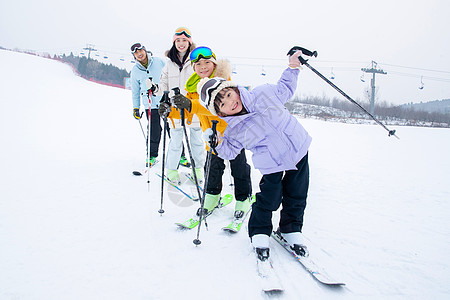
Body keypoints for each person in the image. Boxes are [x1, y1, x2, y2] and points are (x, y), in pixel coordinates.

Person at [196, 50, 311, 261]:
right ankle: (259, 231)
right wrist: (217, 144)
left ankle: (290, 228)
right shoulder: (233, 130)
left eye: (229, 94)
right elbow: (230, 151)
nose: (230, 102)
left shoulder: (263, 93)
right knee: (269, 198)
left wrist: (293, 67)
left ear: (234, 90)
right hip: (271, 163)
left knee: (297, 193)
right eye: (222, 104)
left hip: (297, 147)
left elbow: (285, 88)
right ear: (220, 113)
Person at [170, 46, 253, 219]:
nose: (203, 67)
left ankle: (243, 198)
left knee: (238, 167)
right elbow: (195, 112)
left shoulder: (223, 81)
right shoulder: (192, 86)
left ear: (214, 63)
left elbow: (211, 108)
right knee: (213, 168)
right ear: (193, 68)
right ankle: (212, 196)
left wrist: (191, 106)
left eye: (207, 62)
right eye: (198, 64)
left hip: (231, 132)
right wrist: (170, 110)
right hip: (211, 132)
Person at [157, 27, 202, 184]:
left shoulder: (197, 60)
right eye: (178, 40)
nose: (181, 44)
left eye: (184, 40)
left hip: (193, 106)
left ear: (189, 42)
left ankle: (198, 171)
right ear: (174, 42)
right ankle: (172, 171)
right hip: (175, 108)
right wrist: (156, 89)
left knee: (197, 141)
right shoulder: (169, 63)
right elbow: (164, 83)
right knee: (175, 140)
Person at [130, 42, 165, 166]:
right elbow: (135, 91)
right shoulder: (135, 71)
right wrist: (136, 108)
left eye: (140, 51)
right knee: (154, 130)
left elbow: (170, 76)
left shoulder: (159, 62)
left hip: (164, 100)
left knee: (173, 128)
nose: (139, 54)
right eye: (136, 53)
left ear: (145, 50)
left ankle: (181, 155)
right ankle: (151, 156)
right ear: (134, 55)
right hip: (150, 104)